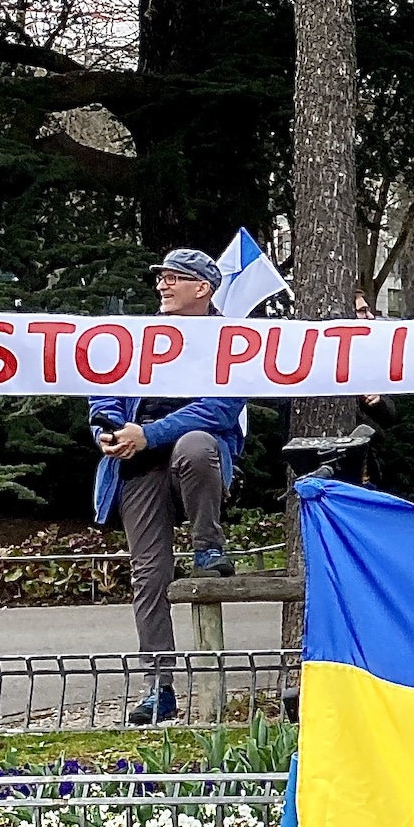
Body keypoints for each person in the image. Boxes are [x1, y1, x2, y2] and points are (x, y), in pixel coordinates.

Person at [93, 248, 247, 726]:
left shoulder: (231, 340)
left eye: (175, 278)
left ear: (203, 288)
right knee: (149, 576)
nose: (162, 285)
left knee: (197, 443)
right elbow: (104, 383)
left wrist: (152, 433)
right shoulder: (137, 336)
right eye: (160, 277)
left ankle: (208, 545)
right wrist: (108, 427)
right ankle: (157, 687)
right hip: (138, 465)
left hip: (191, 457)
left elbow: (220, 409)